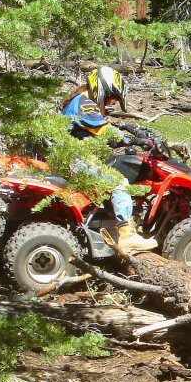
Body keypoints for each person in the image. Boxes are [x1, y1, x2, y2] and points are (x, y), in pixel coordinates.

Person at [62, 89, 156, 253]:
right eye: (109, 98)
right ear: (100, 89)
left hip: (74, 158)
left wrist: (126, 126)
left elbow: (100, 127)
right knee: (119, 182)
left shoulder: (79, 101)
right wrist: (134, 140)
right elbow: (106, 132)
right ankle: (126, 236)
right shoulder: (84, 102)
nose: (109, 103)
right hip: (76, 161)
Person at [62, 65, 129, 116]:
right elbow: (104, 130)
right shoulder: (84, 104)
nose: (109, 104)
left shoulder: (81, 98)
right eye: (110, 98)